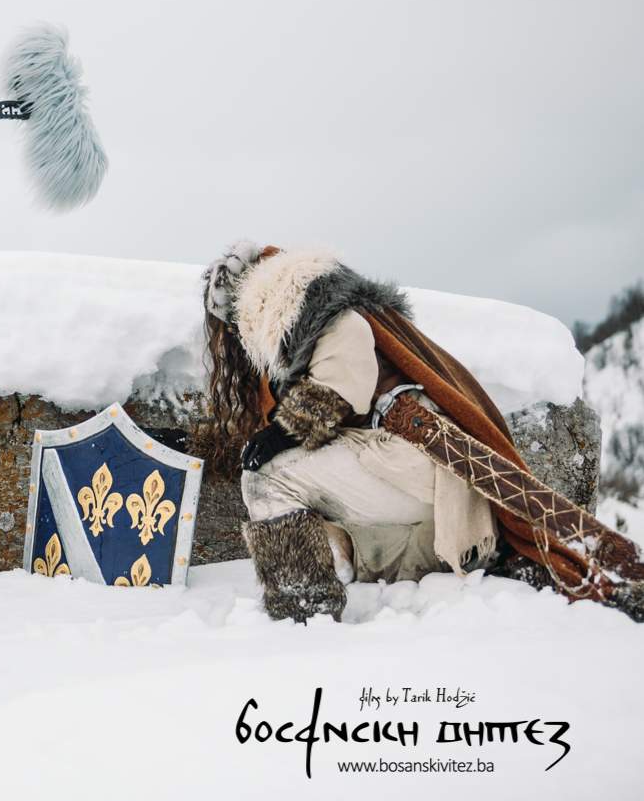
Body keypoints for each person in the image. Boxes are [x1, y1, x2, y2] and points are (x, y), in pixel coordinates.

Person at [201, 241, 642, 624]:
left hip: (415, 459)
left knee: (266, 476)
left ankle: (303, 603)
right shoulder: (319, 303)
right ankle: (342, 559)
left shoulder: (322, 312)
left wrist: (282, 433)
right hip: (420, 480)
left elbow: (343, 387)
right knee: (321, 504)